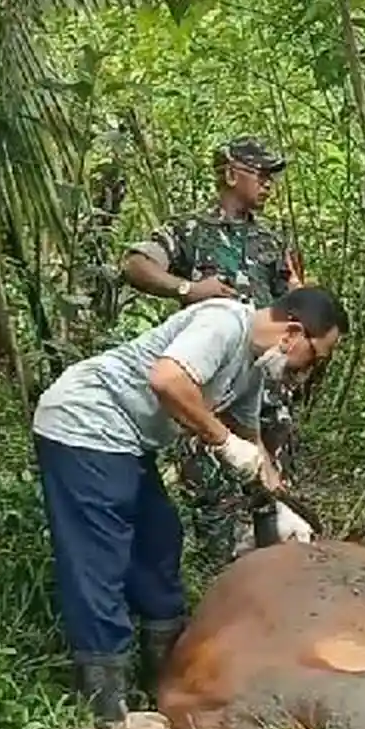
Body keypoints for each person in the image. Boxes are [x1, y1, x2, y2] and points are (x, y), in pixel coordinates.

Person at [31, 287, 348, 726]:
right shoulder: (223, 323)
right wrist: (221, 441)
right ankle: (106, 703)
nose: (308, 369)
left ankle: (168, 677)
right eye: (314, 356)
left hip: (129, 441)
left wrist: (280, 503)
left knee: (160, 539)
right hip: (85, 423)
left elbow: (250, 437)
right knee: (99, 557)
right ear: (292, 333)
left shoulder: (251, 369)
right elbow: (168, 380)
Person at [120, 136, 305, 573]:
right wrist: (186, 288)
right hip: (208, 390)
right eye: (261, 175)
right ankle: (218, 587)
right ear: (230, 174)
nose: (269, 186)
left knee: (268, 487)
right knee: (213, 493)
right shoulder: (189, 231)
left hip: (263, 390)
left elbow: (293, 308)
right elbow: (135, 264)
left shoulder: (271, 241)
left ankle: (273, 579)